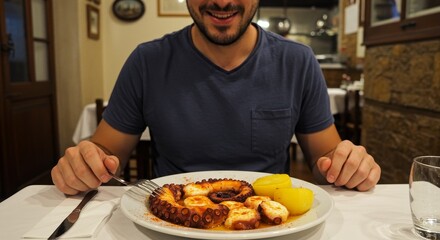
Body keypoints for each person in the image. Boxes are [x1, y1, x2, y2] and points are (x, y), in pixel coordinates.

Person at [52, 0, 381, 195]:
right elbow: (107, 153)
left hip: (268, 220)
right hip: (171, 217)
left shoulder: (297, 61)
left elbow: (326, 162)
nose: (222, 2)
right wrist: (83, 165)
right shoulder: (147, 61)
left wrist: (349, 166)